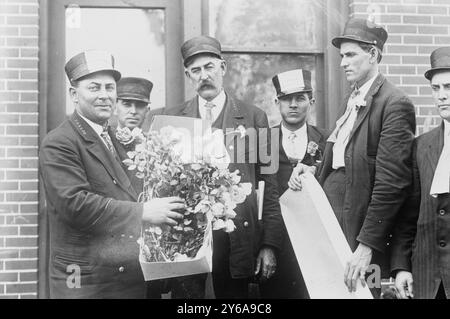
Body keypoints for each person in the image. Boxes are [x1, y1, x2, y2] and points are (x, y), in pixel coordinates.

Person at [39, 50, 184, 298]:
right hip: (85, 280)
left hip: (128, 277)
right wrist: (145, 211)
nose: (104, 95)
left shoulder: (119, 139)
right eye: (94, 88)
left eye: (110, 87)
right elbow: (75, 205)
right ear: (74, 94)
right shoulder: (60, 142)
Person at [160, 35, 283, 298]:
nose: (203, 75)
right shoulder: (174, 121)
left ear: (223, 68)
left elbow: (269, 186)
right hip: (188, 243)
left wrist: (269, 244)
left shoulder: (254, 117)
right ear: (188, 75)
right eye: (196, 70)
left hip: (237, 240)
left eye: (209, 67)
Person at [317, 18, 416, 296]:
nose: (342, 63)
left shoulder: (394, 104)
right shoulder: (350, 101)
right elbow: (338, 159)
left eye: (350, 55)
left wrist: (366, 245)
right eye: (341, 56)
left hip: (360, 232)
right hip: (334, 224)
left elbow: (392, 184)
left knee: (361, 293)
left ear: (373, 54)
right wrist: (310, 175)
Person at [259, 69, 329, 299]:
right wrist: (267, 245)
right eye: (287, 99)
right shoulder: (263, 142)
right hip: (277, 246)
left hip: (314, 245)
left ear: (312, 101)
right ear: (277, 102)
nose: (293, 105)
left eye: (300, 98)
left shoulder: (327, 140)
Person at [391, 47, 450, 299]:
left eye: (449, 87)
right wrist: (402, 266)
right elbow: (408, 214)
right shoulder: (421, 145)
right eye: (436, 89)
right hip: (428, 279)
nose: (442, 96)